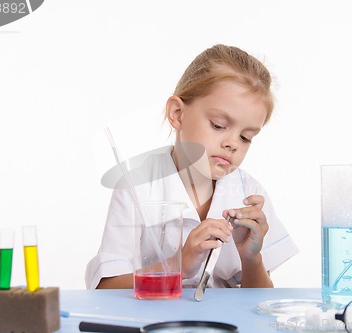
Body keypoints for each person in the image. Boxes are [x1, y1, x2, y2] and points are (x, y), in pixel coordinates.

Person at [85, 44, 299, 289]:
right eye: (218, 125)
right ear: (177, 113)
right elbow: (105, 289)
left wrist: (252, 259)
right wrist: (178, 265)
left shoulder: (248, 193)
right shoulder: (137, 186)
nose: (232, 144)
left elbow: (260, 300)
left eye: (246, 137)